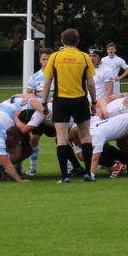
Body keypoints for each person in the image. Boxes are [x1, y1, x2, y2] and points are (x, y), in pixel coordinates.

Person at [43, 28, 99, 182]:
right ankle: (88, 174)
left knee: (61, 139)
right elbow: (91, 84)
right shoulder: (84, 57)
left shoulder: (55, 57)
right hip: (80, 100)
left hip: (61, 101)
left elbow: (47, 83)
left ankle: (64, 176)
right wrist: (94, 102)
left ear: (62, 41)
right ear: (78, 41)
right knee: (85, 136)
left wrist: (43, 103)